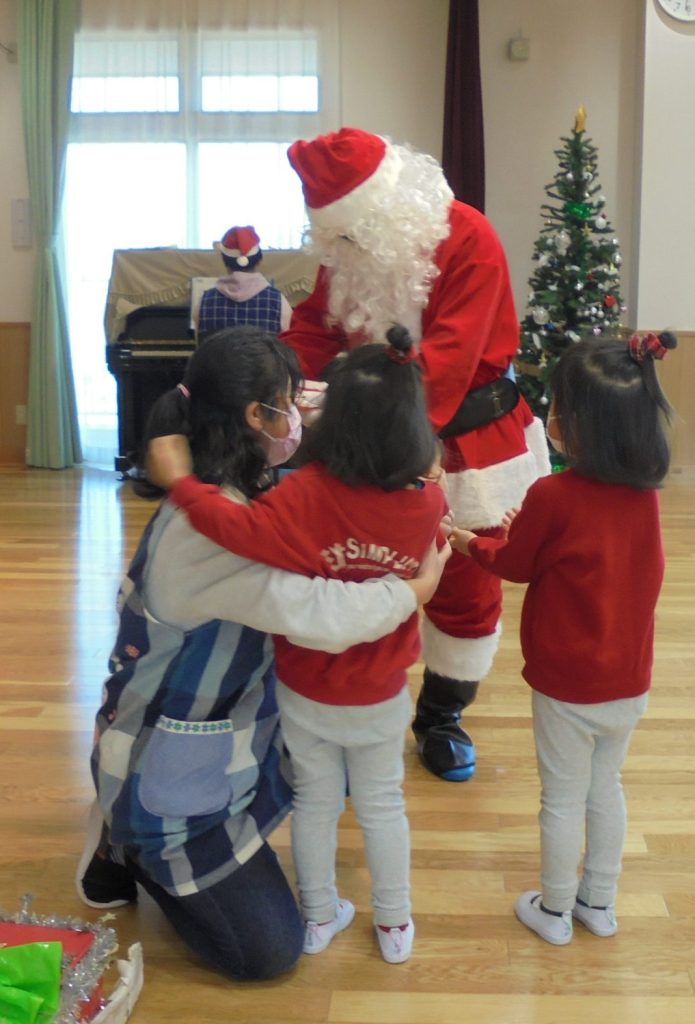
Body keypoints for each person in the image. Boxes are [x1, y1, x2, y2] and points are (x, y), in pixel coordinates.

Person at [77, 326, 449, 982]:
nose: (301, 414)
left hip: (212, 725)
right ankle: (128, 840)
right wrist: (412, 587)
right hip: (167, 756)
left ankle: (124, 836)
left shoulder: (245, 483)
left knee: (314, 779)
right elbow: (320, 614)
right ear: (257, 415)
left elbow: (309, 502)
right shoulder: (208, 532)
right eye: (288, 401)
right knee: (267, 952)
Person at [277, 126, 550, 782]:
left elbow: (451, 358)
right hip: (362, 426)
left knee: (465, 581)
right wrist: (282, 379)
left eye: (358, 229)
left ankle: (441, 715)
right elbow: (315, 324)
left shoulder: (469, 238)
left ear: (390, 202)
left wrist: (348, 409)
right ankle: (351, 711)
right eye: (339, 236)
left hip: (463, 440)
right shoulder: (348, 245)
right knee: (360, 571)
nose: (351, 246)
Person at [449, 331, 677, 945]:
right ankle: (598, 903)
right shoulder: (644, 498)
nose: (549, 419)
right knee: (607, 787)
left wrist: (469, 541)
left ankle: (552, 910)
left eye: (558, 410)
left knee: (562, 797)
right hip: (628, 680)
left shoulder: (551, 492)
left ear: (579, 426)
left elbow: (516, 565)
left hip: (566, 683)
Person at [196, 225, 293, 339]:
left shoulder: (204, 301)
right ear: (259, 260)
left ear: (224, 261)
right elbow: (288, 345)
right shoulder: (278, 301)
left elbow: (201, 346)